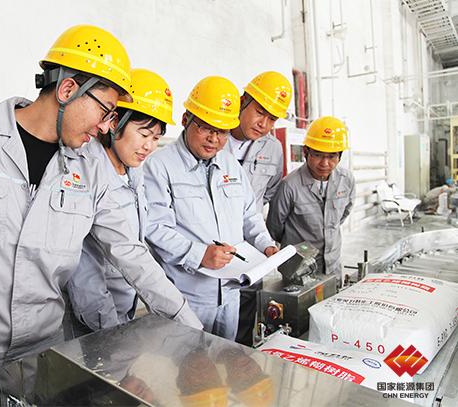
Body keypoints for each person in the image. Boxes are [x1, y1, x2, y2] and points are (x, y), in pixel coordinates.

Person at [0, 24, 201, 406]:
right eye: (106, 111)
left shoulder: (90, 168)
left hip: (39, 361)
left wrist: (191, 329)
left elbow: (130, 252)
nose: (107, 127)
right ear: (68, 89)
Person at [143, 76, 278, 341]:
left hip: (230, 293)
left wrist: (266, 245)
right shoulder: (159, 166)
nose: (214, 139)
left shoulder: (230, 164)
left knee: (223, 359)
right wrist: (199, 255)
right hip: (186, 297)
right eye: (206, 128)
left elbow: (250, 214)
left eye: (223, 132)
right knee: (184, 361)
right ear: (186, 119)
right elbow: (155, 228)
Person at [64, 68, 175, 338]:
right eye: (144, 134)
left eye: (156, 138)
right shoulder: (86, 172)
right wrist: (111, 329)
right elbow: (83, 271)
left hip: (126, 312)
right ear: (114, 122)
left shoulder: (134, 171)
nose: (149, 146)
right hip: (94, 321)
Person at [228, 71, 293, 346]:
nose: (264, 124)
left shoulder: (273, 149)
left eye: (272, 119)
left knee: (245, 320)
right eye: (260, 112)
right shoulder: (213, 136)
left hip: (251, 248)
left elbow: (267, 193)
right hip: (213, 248)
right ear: (243, 100)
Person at [267, 116, 355, 281]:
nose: (325, 163)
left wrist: (326, 229)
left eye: (332, 156)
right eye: (318, 155)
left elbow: (344, 212)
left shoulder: (346, 180)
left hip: (332, 265)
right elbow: (274, 227)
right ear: (306, 152)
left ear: (340, 156)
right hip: (298, 267)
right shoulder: (289, 185)